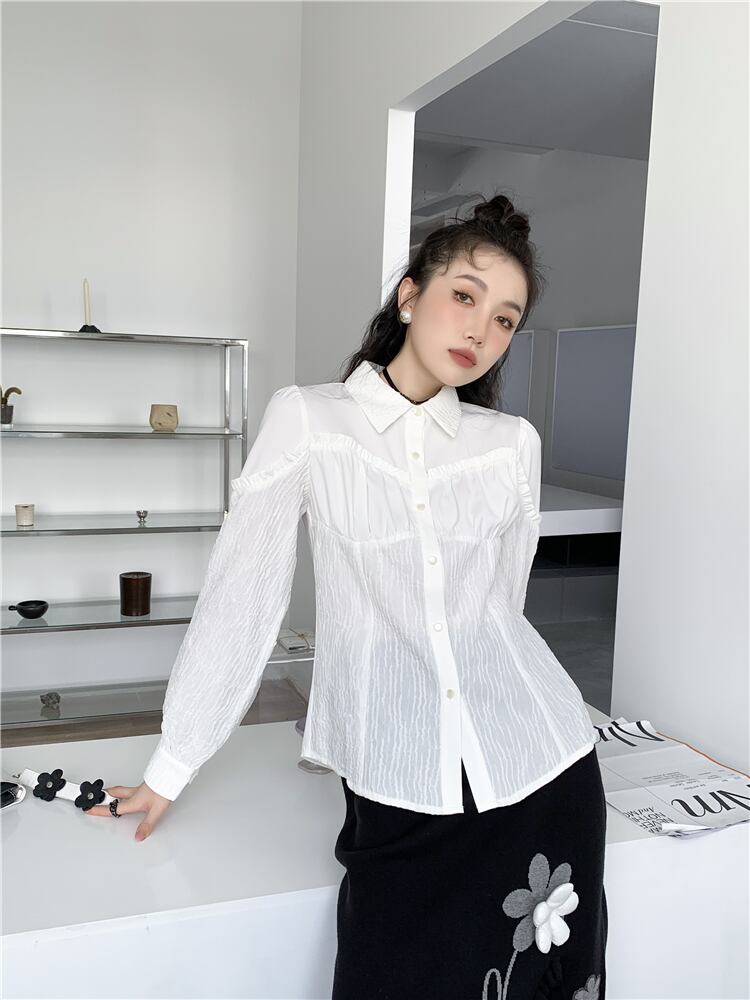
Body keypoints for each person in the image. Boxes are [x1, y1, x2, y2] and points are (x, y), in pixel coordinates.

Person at [86, 192, 608, 999]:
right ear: (410, 296)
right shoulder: (310, 421)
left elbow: (498, 612)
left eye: (505, 319)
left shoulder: (510, 446)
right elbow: (243, 596)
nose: (480, 330)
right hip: (397, 777)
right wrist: (171, 765)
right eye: (465, 296)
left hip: (543, 767)